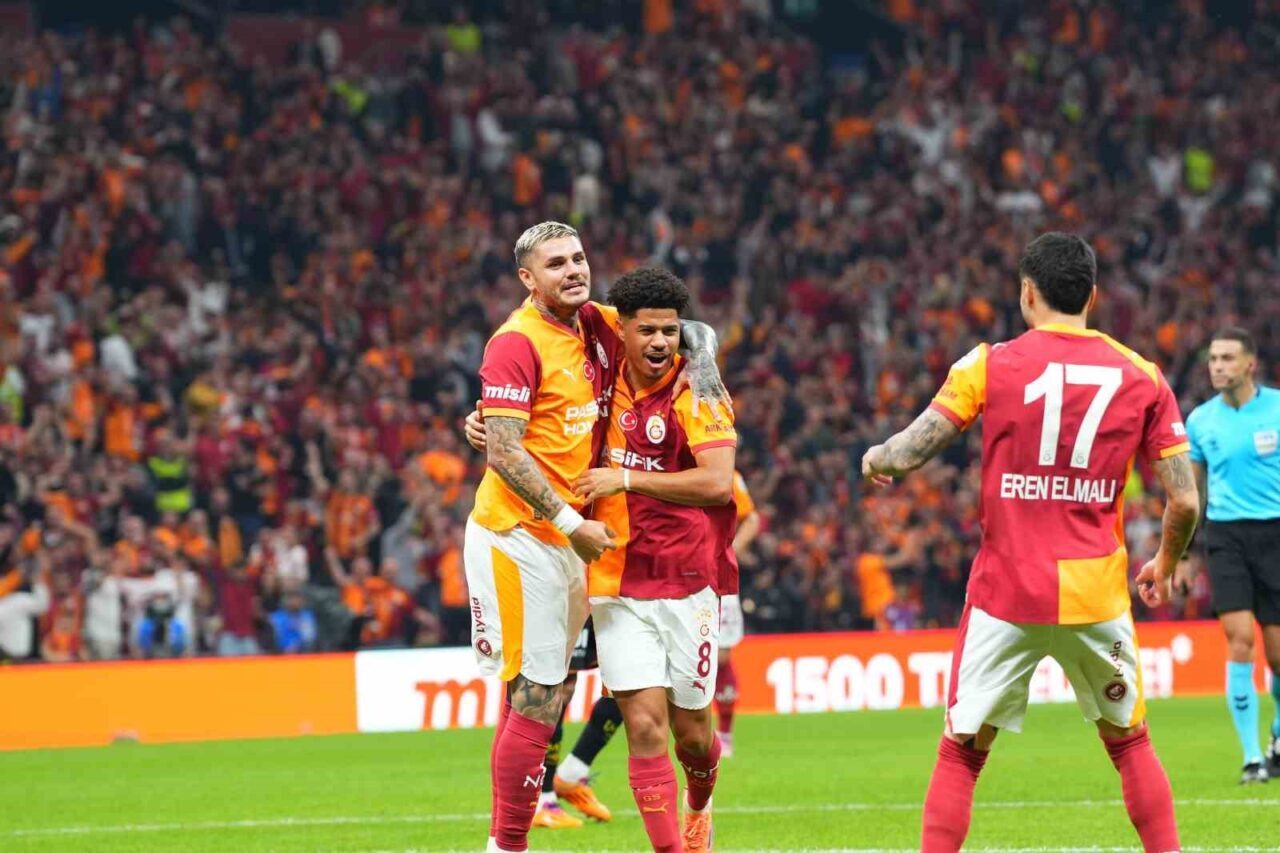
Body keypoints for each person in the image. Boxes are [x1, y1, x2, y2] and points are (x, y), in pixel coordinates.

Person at [862, 233, 1196, 853]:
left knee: (962, 754)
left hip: (1007, 592)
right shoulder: (1144, 376)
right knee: (1130, 745)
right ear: (1092, 297)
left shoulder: (988, 364)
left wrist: (876, 456)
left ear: (1026, 293)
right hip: (1095, 592)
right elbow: (1185, 501)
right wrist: (1165, 561)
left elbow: (909, 452)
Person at [466, 223, 727, 853]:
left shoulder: (596, 323)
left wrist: (704, 367)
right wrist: (569, 522)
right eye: (555, 263)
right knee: (537, 695)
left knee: (545, 690)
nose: (573, 270)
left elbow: (687, 329)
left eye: (578, 258)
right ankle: (506, 845)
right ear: (528, 279)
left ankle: (515, 833)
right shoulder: (516, 343)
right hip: (521, 534)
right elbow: (504, 449)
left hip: (573, 542)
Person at [570, 266, 737, 853]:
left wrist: (624, 478)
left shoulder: (698, 389)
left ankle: (700, 803)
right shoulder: (600, 376)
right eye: (647, 330)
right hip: (616, 581)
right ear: (622, 330)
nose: (660, 341)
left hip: (688, 580)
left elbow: (717, 483)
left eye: (670, 330)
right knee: (643, 726)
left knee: (692, 735)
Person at [1184, 327, 1280, 783]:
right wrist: (1185, 553)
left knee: (1277, 656)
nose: (1218, 366)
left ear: (1249, 364)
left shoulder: (1277, 408)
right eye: (1213, 359)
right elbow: (1193, 492)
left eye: (1227, 358)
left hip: (1275, 533)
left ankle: (1276, 737)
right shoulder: (1200, 421)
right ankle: (1251, 757)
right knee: (1239, 639)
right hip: (1226, 537)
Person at [530, 618, 623, 829]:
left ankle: (572, 774)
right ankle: (543, 799)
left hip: (613, 604)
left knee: (629, 683)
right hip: (573, 605)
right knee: (561, 687)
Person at [715, 470, 759, 758]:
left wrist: (729, 552)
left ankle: (725, 733)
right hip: (677, 574)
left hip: (719, 576)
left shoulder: (726, 474)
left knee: (720, 657)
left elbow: (751, 519)